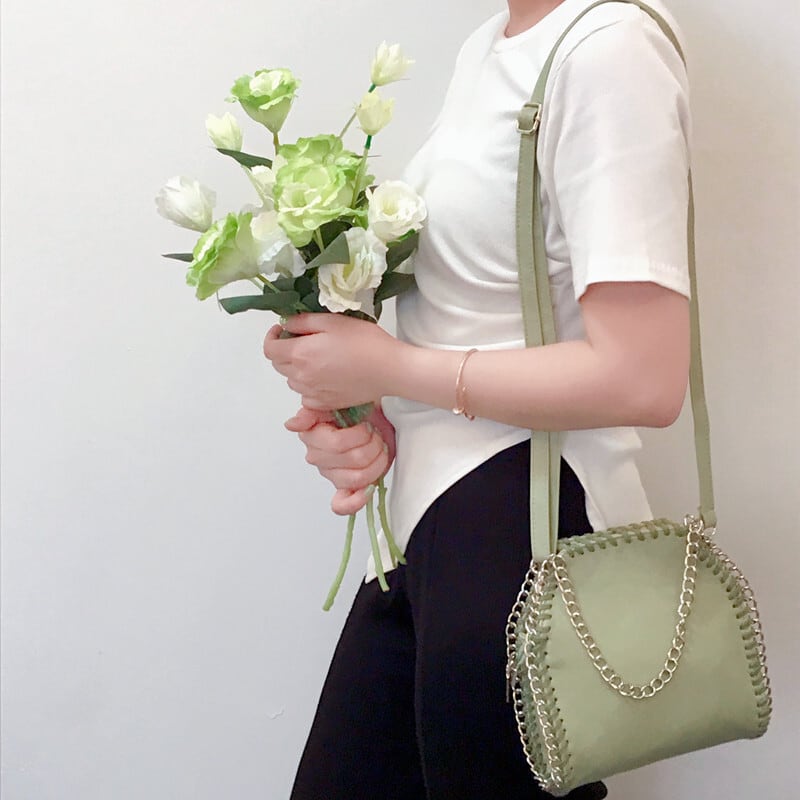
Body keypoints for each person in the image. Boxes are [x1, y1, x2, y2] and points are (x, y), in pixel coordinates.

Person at [262, 0, 693, 796]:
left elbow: (643, 376)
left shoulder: (608, 49)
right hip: (431, 528)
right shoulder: (490, 44)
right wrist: (367, 399)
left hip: (520, 523)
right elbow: (490, 312)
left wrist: (392, 368)